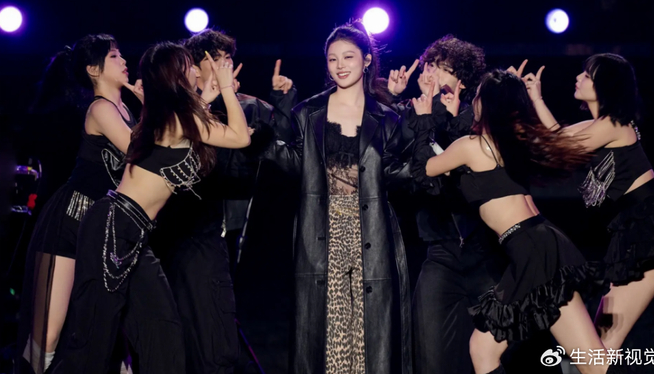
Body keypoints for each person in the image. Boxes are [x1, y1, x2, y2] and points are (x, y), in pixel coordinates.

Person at [49, 42, 250, 374]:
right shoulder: (174, 118)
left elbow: (187, 132)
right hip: (113, 228)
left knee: (164, 336)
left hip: (133, 234)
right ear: (176, 75)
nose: (195, 70)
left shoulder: (169, 118)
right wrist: (226, 88)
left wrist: (208, 97)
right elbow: (240, 137)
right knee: (91, 345)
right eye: (188, 66)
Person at [411, 71, 626, 374]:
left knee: (485, 350)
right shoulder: (516, 142)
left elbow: (425, 169)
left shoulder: (471, 146)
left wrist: (423, 119)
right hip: (544, 242)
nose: (473, 102)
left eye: (477, 96)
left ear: (485, 104)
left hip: (529, 250)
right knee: (591, 361)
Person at [385, 35, 558, 373]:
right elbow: (394, 158)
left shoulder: (477, 118)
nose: (432, 73)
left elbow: (463, 165)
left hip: (487, 252)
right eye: (429, 65)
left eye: (443, 68)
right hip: (440, 251)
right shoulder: (409, 115)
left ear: (462, 81)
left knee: (510, 351)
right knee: (430, 355)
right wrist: (393, 98)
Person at [521, 54, 654, 351]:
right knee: (603, 340)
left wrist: (511, 110)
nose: (578, 78)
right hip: (637, 232)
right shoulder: (596, 125)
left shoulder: (613, 125)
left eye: (587, 75)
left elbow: (560, 146)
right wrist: (535, 99)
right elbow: (559, 136)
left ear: (604, 85)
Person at [265, 21, 412, 374]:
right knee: (328, 335)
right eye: (332, 59)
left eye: (348, 57)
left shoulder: (387, 118)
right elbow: (288, 161)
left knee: (369, 335)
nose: (340, 65)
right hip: (321, 233)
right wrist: (281, 104)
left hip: (372, 234)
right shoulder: (308, 112)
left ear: (366, 60)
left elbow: (402, 174)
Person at [152, 28, 297, 374]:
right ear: (195, 64)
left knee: (217, 311)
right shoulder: (177, 105)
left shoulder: (245, 105)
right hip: (175, 222)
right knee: (180, 311)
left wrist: (282, 99)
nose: (225, 65)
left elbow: (283, 144)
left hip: (225, 222)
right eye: (217, 59)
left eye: (228, 59)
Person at [17, 34, 141, 373]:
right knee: (47, 333)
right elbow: (141, 151)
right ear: (93, 69)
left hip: (105, 226)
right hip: (72, 221)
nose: (124, 61)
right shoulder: (100, 108)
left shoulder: (126, 110)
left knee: (114, 331)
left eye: (120, 54)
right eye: (114, 56)